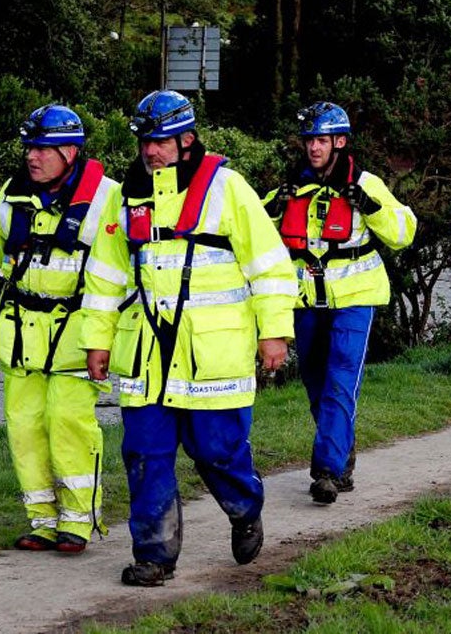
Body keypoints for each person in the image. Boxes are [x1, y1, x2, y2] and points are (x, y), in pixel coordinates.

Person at [80, 90, 297, 586]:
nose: (149, 151)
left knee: (217, 452)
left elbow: (270, 268)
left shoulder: (229, 188)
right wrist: (98, 341)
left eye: (159, 141)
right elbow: (105, 277)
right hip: (148, 357)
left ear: (187, 140)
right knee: (143, 454)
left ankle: (244, 508)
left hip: (211, 355)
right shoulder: (125, 195)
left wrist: (275, 333)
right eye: (143, 141)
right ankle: (154, 556)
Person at [0, 104, 118, 553]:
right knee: (24, 427)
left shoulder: (106, 200)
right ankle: (42, 519)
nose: (32, 158)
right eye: (29, 149)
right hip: (20, 338)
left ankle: (78, 520)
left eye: (43, 149)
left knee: (68, 422)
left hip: (76, 336)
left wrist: (105, 338)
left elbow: (117, 277)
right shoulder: (11, 195)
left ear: (71, 153)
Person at [262, 101, 416, 505]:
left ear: (340, 142)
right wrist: (273, 210)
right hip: (307, 300)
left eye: (322, 140)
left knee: (340, 379)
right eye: (309, 139)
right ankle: (341, 449)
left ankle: (327, 470)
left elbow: (404, 232)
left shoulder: (366, 183)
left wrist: (371, 207)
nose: (314, 147)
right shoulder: (292, 184)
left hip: (356, 298)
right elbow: (257, 234)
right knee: (315, 382)